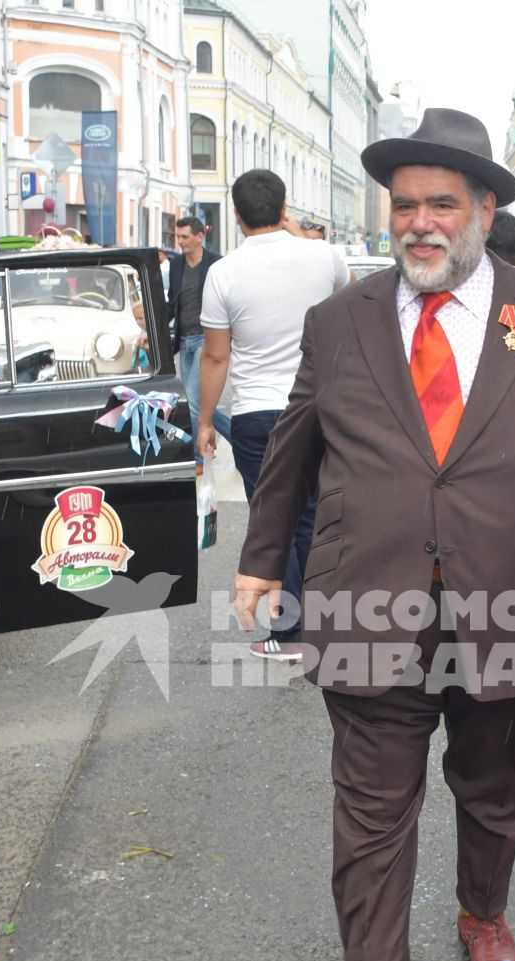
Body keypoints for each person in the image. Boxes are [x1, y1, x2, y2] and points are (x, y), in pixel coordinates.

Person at [232, 107, 515, 961]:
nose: (419, 222)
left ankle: (481, 912)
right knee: (372, 801)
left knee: (496, 786)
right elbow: (293, 455)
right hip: (366, 599)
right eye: (405, 206)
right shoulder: (340, 322)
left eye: (441, 205)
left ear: (485, 207)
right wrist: (262, 562)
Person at [196, 169, 349, 661]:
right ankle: (328, 624)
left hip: (258, 414)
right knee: (321, 517)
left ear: (235, 216)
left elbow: (216, 357)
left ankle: (292, 634)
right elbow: (355, 318)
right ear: (284, 207)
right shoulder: (326, 257)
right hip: (323, 406)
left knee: (277, 521)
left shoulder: (223, 272)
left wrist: (204, 422)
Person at [167, 215, 228, 446]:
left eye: (184, 237)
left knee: (192, 400)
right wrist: (151, 329)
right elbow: (172, 303)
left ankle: (196, 457)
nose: (179, 242)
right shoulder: (175, 265)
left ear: (199, 237)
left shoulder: (216, 263)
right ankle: (235, 435)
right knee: (200, 405)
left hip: (207, 338)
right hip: (184, 340)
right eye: (177, 237)